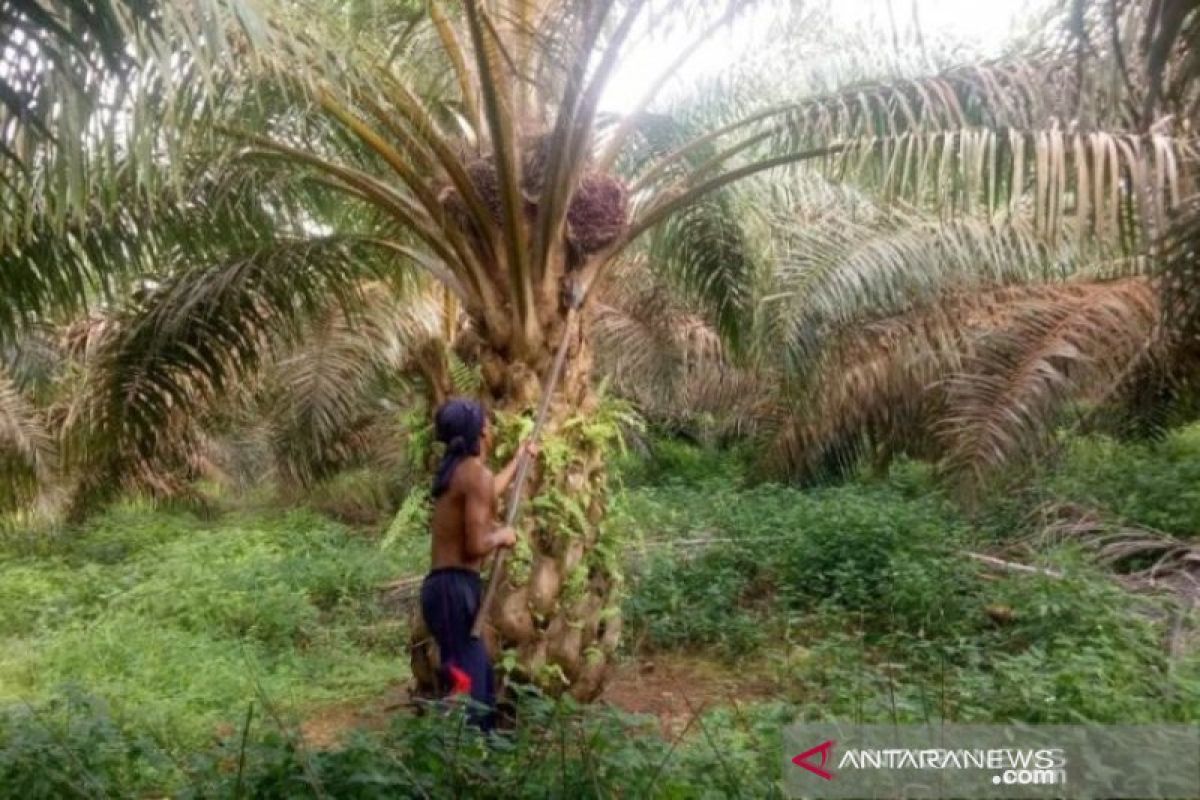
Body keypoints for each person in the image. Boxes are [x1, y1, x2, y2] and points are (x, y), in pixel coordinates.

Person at [419, 397, 538, 731]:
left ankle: (466, 762)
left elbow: (486, 495)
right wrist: (503, 536)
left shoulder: (459, 472)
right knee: (472, 695)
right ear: (480, 432)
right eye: (487, 422)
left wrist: (518, 461)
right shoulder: (475, 475)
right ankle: (463, 764)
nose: (491, 427)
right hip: (455, 591)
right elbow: (474, 546)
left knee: (475, 681)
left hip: (442, 590)